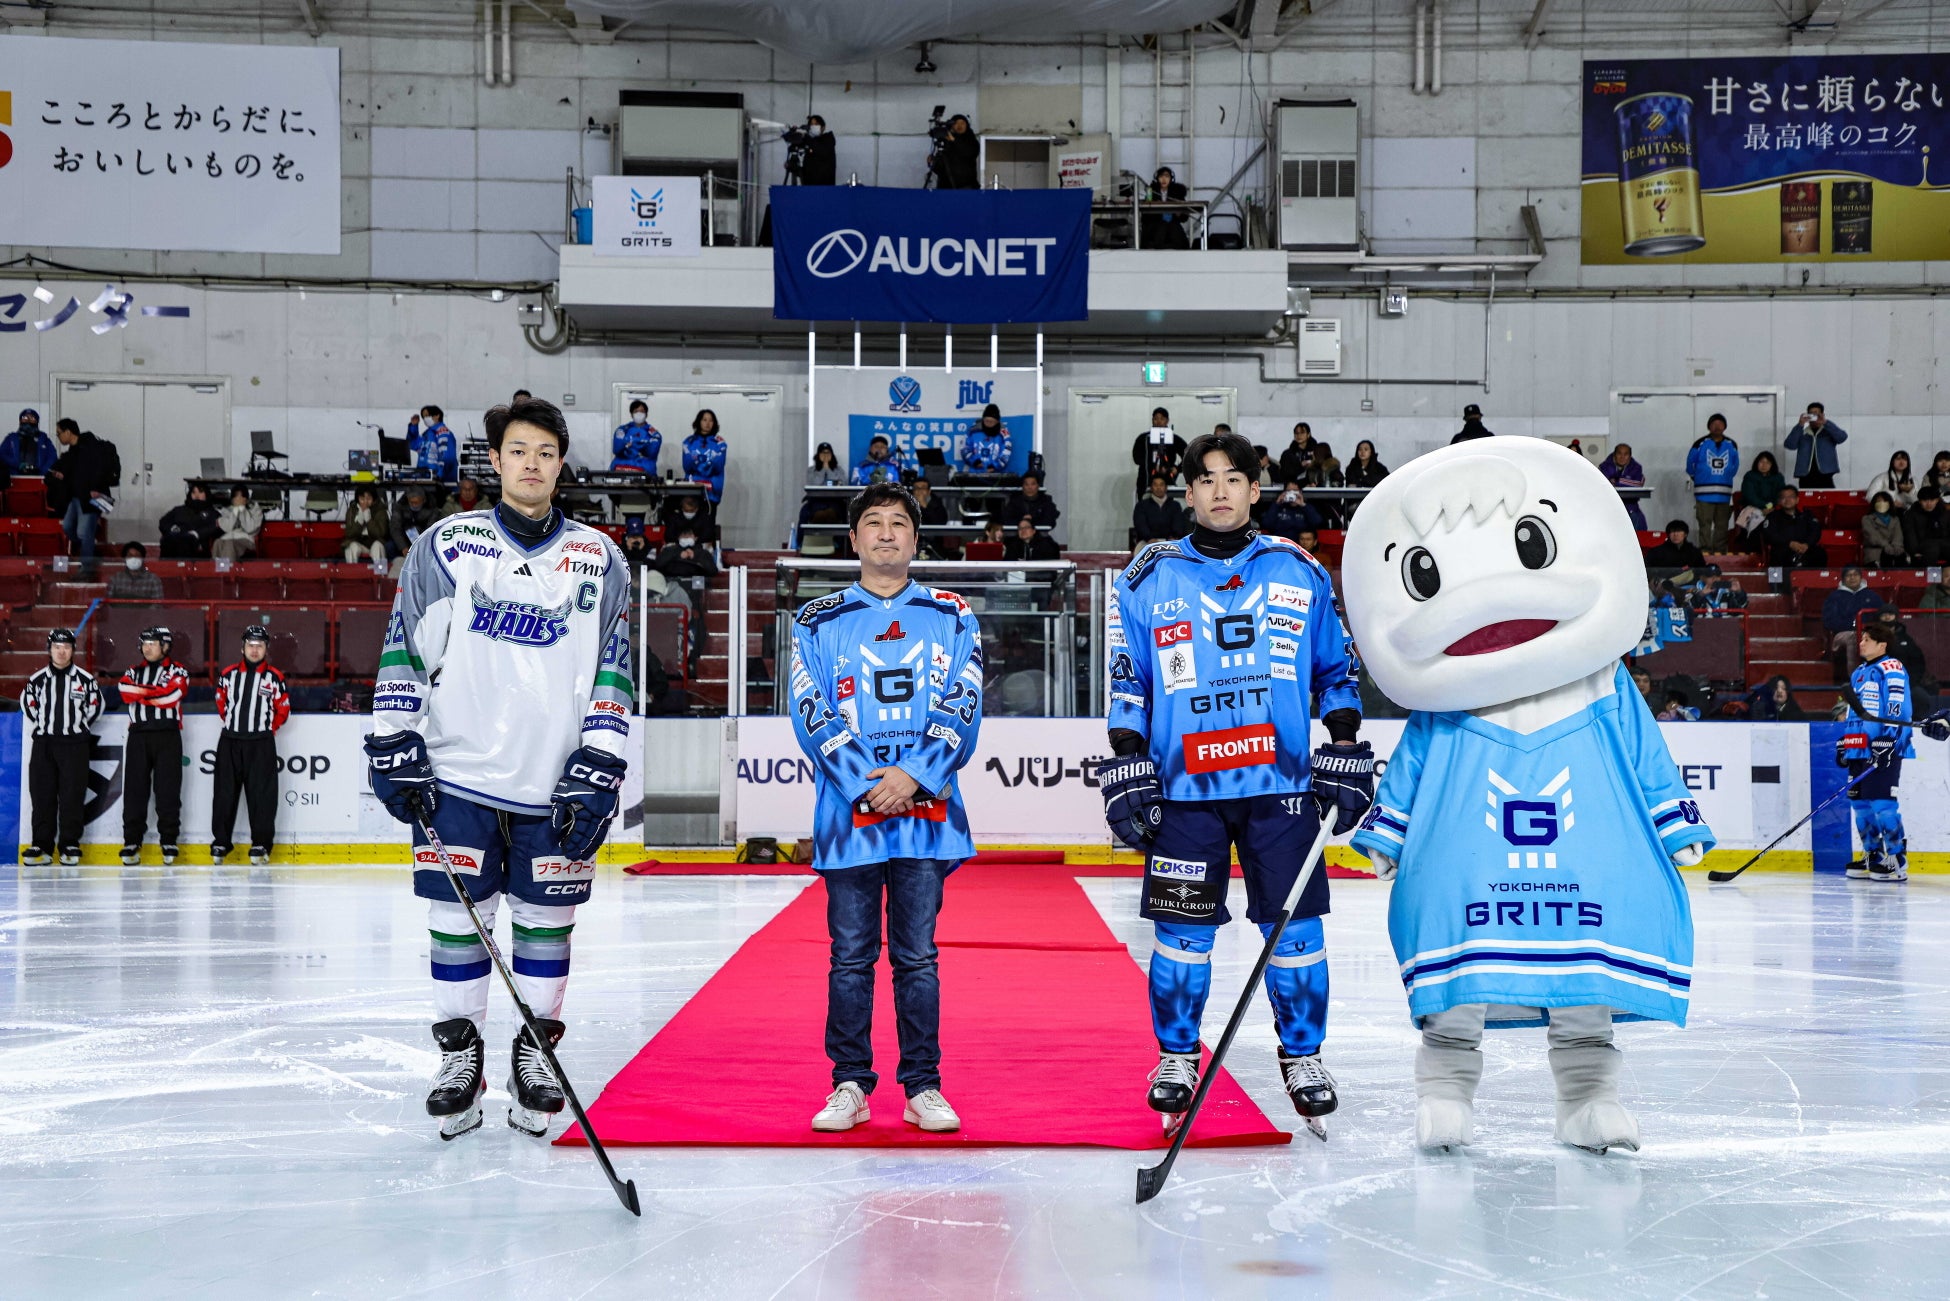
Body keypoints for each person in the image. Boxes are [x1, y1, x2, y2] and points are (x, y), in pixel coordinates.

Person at [1342, 436, 1709, 1156]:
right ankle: (1445, 1091)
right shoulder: (1446, 697)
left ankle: (1588, 1096)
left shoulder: (1601, 678)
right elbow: (1413, 765)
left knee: (1584, 974)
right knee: (1460, 968)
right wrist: (1387, 833)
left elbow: (1644, 753)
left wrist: (1675, 823)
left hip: (1584, 856)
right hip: (1469, 860)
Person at [364, 397, 635, 1141]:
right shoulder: (447, 545)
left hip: (556, 782)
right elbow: (406, 645)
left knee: (549, 923)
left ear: (561, 463)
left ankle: (534, 1053)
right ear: (495, 460)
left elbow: (613, 669)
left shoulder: (602, 558)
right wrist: (395, 740)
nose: (531, 464)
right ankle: (461, 1057)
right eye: (518, 450)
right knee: (457, 920)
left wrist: (601, 759)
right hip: (459, 777)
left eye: (545, 452)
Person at [1098, 429, 1372, 1138]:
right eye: (1206, 479)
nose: (1219, 491)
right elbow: (1129, 680)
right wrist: (1127, 757)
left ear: (1256, 488)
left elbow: (1336, 671)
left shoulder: (1299, 570)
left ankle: (1304, 1057)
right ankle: (1177, 1057)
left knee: (1295, 933)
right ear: (1187, 493)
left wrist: (1343, 745)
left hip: (1281, 787)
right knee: (1180, 935)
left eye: (1233, 478)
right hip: (1183, 791)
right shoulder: (1147, 575)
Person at [791, 482, 983, 1135]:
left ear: (915, 538)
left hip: (926, 819)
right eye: (872, 523)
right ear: (853, 539)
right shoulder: (817, 620)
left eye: (898, 523)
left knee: (917, 956)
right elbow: (809, 709)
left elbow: (965, 701)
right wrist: (869, 784)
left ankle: (923, 1086)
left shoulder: (953, 614)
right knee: (850, 955)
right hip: (850, 818)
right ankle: (849, 1083)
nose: (885, 533)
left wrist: (914, 775)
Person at [19, 628, 103, 869]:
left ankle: (69, 844)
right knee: (42, 795)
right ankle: (42, 846)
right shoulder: (37, 680)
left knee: (72, 795)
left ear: (73, 650)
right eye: (57, 647)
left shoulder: (85, 680)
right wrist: (45, 726)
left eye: (66, 647)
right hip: (44, 744)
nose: (61, 651)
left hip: (74, 745)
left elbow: (95, 707)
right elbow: (28, 705)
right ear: (50, 649)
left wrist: (76, 728)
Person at [210, 626, 291, 866]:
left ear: (266, 649)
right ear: (243, 647)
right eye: (250, 645)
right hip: (230, 741)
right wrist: (235, 726)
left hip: (261, 743)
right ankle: (221, 842)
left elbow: (283, 709)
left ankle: (261, 844)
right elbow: (222, 704)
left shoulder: (274, 677)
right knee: (224, 794)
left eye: (259, 646)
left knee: (262, 796)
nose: (254, 650)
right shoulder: (228, 675)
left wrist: (266, 729)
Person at [1840, 623, 1912, 882]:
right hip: (1859, 748)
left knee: (1882, 804)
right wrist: (1846, 742)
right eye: (1861, 639)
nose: (1861, 643)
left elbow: (1897, 706)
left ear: (1882, 644)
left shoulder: (1891, 668)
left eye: (1867, 640)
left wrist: (1888, 740)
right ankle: (1874, 855)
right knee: (1860, 804)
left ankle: (1897, 859)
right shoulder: (1859, 672)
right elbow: (1854, 712)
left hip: (1884, 748)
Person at [117, 626, 188, 867]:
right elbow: (125, 691)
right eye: (145, 643)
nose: (147, 648)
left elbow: (171, 696)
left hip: (167, 735)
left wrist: (142, 694)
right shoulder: (133, 670)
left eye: (153, 643)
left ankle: (169, 840)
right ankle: (131, 841)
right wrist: (155, 693)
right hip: (138, 735)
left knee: (168, 790)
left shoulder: (178, 670)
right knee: (135, 791)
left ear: (165, 646)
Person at [48, 418, 120, 558]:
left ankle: (87, 565)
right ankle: (89, 548)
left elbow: (98, 472)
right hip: (76, 497)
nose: (58, 436)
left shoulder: (92, 449)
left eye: (59, 433)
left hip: (91, 498)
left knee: (83, 533)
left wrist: (95, 487)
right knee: (68, 527)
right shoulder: (72, 452)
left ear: (68, 432)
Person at [1685, 414, 1740, 551]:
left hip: (1724, 494)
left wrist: (1725, 477)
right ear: (1709, 426)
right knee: (1705, 524)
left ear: (1725, 426)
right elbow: (1690, 464)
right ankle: (1705, 551)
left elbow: (1734, 466)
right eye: (1714, 424)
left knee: (1722, 525)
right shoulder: (1700, 444)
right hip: (1704, 494)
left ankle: (1720, 553)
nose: (1717, 426)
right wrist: (1698, 478)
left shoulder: (1731, 444)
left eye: (1720, 424)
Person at [1783, 402, 1847, 489]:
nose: (1814, 416)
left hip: (1826, 474)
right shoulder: (1803, 432)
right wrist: (1800, 425)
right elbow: (1790, 445)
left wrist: (1825, 422)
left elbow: (1842, 437)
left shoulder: (1828, 432)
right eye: (1811, 414)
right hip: (1805, 475)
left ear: (1822, 415)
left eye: (1816, 413)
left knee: (1827, 496)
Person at [1762, 486, 1826, 568]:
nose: (1787, 500)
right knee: (1777, 556)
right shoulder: (1772, 517)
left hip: (1805, 549)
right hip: (1782, 552)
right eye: (1784, 497)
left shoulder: (1806, 515)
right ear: (1779, 501)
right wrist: (1790, 544)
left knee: (1819, 553)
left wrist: (1806, 544)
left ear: (1797, 500)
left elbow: (1815, 531)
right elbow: (1770, 535)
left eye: (1791, 497)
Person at [1132, 407, 1186, 498]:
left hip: (1167, 479)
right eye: (1156, 419)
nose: (1159, 422)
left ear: (1167, 420)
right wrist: (1151, 466)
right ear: (1152, 420)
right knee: (1144, 503)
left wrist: (1177, 469)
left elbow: (1189, 456)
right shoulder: (1144, 438)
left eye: (1162, 419)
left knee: (1167, 504)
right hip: (1146, 478)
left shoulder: (1173, 438)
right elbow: (1136, 458)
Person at [158, 483, 223, 559]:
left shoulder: (213, 513)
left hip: (198, 544)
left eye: (200, 492)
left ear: (206, 494)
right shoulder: (179, 510)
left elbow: (217, 527)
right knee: (169, 539)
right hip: (176, 538)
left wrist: (197, 534)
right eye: (193, 492)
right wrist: (172, 528)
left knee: (186, 541)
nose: (196, 495)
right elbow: (163, 522)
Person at [1736, 450, 1787, 536]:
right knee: (1756, 516)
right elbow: (1750, 496)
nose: (1764, 465)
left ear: (1772, 465)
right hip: (1753, 507)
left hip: (1773, 508)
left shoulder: (1778, 477)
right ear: (1756, 463)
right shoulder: (1750, 476)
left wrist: (1771, 507)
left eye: (1767, 463)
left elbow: (1781, 494)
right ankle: (1750, 538)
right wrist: (1764, 507)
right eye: (1761, 462)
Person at [683, 409, 728, 506]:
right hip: (692, 491)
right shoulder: (688, 442)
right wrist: (706, 464)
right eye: (704, 420)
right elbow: (687, 466)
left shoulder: (720, 443)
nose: (708, 423)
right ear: (698, 422)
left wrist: (699, 466)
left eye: (711, 420)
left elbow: (718, 466)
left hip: (712, 492)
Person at [405, 405, 458, 485]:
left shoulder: (443, 432)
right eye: (423, 417)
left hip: (442, 482)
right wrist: (413, 426)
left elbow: (447, 457)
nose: (425, 419)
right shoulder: (427, 434)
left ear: (437, 415)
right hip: (425, 477)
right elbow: (412, 444)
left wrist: (439, 475)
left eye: (427, 415)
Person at [1600, 443, 1648, 530]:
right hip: (1609, 506)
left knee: (1638, 520)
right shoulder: (1604, 466)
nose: (1622, 457)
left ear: (1630, 456)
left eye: (1626, 454)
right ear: (1614, 455)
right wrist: (1627, 482)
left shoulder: (1636, 467)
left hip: (1630, 506)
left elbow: (1639, 483)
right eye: (1619, 453)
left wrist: (1618, 481)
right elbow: (1603, 483)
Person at [1141, 166, 1191, 250]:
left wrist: (1178, 214)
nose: (1164, 179)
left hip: (1172, 225)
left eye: (1167, 176)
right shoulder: (1152, 191)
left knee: (1174, 229)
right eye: (1161, 176)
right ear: (1157, 178)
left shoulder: (1177, 192)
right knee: (1161, 227)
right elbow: (1145, 216)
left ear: (1171, 179)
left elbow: (1185, 217)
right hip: (1156, 226)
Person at [1261, 481, 1325, 542]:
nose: (1291, 493)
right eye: (1289, 491)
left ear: (1300, 492)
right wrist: (1277, 503)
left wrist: (1303, 505)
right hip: (1281, 544)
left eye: (1295, 491)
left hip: (1300, 544)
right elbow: (1267, 524)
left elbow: (1317, 523)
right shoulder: (1278, 507)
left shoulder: (1306, 507)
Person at [1132, 473, 1187, 544]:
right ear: (1151, 487)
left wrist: (1173, 537)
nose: (1158, 487)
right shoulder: (1141, 506)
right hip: (1147, 541)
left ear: (1166, 487)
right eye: (1155, 485)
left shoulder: (1175, 505)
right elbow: (1140, 524)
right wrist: (1149, 538)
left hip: (1170, 541)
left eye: (1161, 485)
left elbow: (1178, 524)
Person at [390, 484, 440, 561]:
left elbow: (430, 530)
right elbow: (395, 527)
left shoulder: (432, 509)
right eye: (411, 502)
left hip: (423, 541)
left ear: (424, 500)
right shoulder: (400, 506)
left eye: (416, 503)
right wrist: (403, 547)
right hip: (404, 540)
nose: (414, 505)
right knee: (390, 546)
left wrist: (419, 547)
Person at [1, 408, 58, 476]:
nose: (28, 420)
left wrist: (43, 471)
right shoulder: (11, 438)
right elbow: (2, 455)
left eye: (32, 418)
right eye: (25, 417)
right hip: (14, 476)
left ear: (37, 421)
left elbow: (52, 456)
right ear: (20, 421)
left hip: (38, 477)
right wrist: (16, 465)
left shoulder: (43, 438)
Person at [212, 486, 263, 562]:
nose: (238, 500)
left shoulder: (255, 510)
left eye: (241, 497)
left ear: (246, 499)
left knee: (229, 544)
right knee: (217, 543)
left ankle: (228, 568)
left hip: (246, 539)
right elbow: (227, 528)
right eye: (236, 497)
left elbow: (250, 529)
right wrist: (235, 511)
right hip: (227, 538)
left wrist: (242, 510)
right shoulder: (225, 511)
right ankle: (217, 568)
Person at [342, 487, 390, 567]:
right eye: (362, 499)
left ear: (374, 499)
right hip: (358, 543)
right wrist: (360, 521)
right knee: (352, 547)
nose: (365, 502)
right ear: (357, 499)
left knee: (378, 546)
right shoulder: (352, 510)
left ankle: (380, 572)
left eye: (368, 499)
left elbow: (381, 534)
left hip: (375, 542)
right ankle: (352, 573)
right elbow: (349, 534)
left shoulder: (381, 511)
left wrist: (369, 520)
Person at [611, 400, 661, 475]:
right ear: (631, 414)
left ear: (646, 414)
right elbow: (617, 449)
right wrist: (641, 444)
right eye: (636, 411)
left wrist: (629, 445)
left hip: (644, 471)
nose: (639, 413)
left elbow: (651, 452)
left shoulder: (654, 434)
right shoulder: (622, 430)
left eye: (642, 411)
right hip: (621, 470)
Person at [785, 114, 836, 186]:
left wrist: (805, 136)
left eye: (816, 124)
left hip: (825, 187)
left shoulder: (828, 139)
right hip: (809, 187)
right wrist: (793, 168)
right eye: (811, 125)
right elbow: (806, 171)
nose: (813, 126)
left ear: (823, 127)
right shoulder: (809, 144)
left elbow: (822, 151)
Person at [1904, 486, 1950, 565]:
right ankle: (1928, 572)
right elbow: (1910, 535)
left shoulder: (1945, 512)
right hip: (1923, 545)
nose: (1929, 504)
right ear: (1919, 501)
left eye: (1932, 500)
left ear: (1937, 500)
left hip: (1943, 543)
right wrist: (1914, 552)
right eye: (1925, 500)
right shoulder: (1911, 514)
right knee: (1933, 548)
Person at [1863, 492, 1911, 568]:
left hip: (1895, 550)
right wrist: (1886, 545)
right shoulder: (1867, 519)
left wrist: (1896, 546)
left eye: (1885, 501)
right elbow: (1872, 537)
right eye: (1879, 501)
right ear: (1874, 503)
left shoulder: (1895, 519)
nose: (1882, 504)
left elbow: (1898, 535)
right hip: (1876, 551)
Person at [932, 113, 980, 189]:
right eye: (956, 123)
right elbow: (940, 169)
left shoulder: (971, 141)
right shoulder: (946, 142)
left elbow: (968, 153)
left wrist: (953, 140)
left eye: (962, 123)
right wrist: (933, 161)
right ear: (952, 126)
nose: (959, 126)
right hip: (946, 188)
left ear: (967, 125)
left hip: (966, 187)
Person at [961, 404, 1011, 475]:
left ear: (997, 421)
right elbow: (965, 448)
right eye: (986, 421)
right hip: (974, 474)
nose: (988, 423)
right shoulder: (972, 431)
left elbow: (1006, 451)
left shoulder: (1004, 434)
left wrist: (995, 466)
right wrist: (974, 461)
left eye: (991, 421)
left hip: (996, 475)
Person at [1275, 423, 1320, 488]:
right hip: (1293, 488)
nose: (1299, 435)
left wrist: (1314, 463)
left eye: (1302, 433)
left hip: (1314, 488)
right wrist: (1300, 466)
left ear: (1308, 434)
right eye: (1296, 433)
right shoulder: (1287, 454)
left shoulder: (1316, 451)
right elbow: (1283, 474)